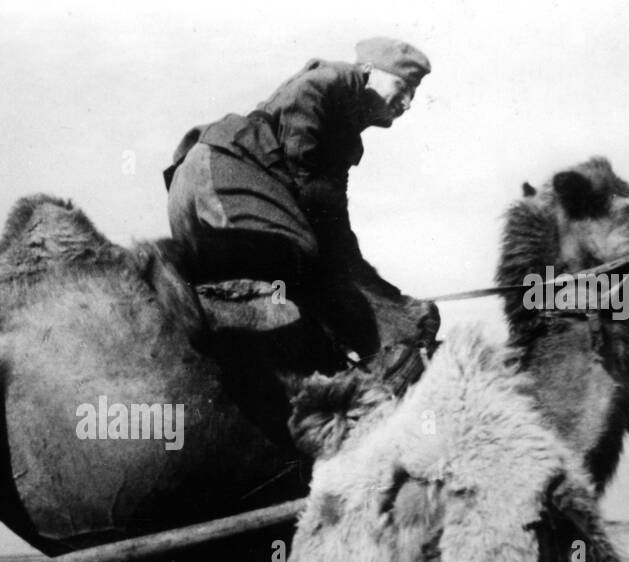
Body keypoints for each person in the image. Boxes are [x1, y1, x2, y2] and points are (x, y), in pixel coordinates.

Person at [164, 37, 440, 391]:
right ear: (369, 71)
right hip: (218, 171)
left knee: (297, 276)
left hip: (197, 187)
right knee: (300, 253)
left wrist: (386, 295)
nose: (407, 102)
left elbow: (333, 224)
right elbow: (308, 180)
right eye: (402, 86)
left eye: (414, 92)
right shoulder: (333, 81)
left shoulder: (345, 129)